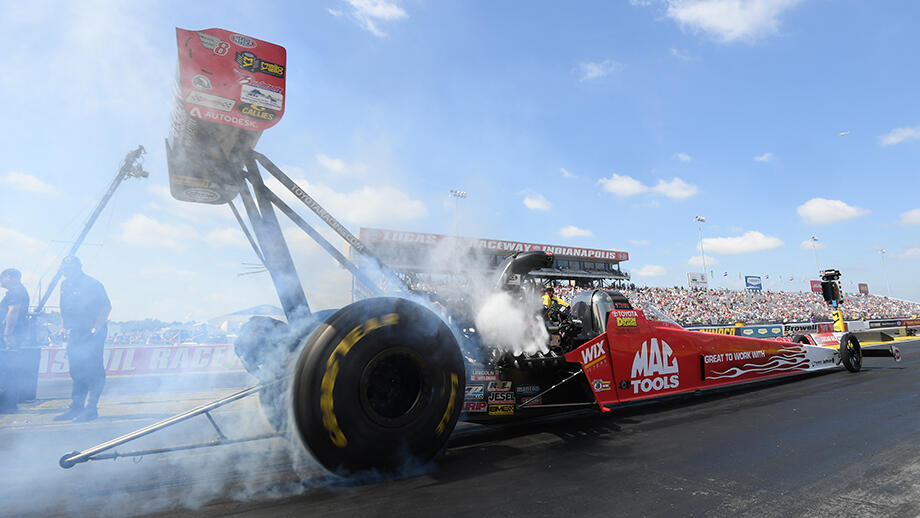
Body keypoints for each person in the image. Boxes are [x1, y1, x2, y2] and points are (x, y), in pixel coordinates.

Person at [54, 256, 111, 422]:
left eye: (70, 268)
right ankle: (76, 407)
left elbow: (106, 306)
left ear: (79, 267)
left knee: (93, 370)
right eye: (65, 268)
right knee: (76, 369)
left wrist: (96, 327)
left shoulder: (92, 284)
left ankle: (91, 409)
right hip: (75, 332)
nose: (66, 271)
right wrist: (63, 327)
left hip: (92, 332)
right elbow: (65, 309)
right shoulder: (64, 285)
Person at [0, 268, 30, 413]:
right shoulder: (18, 291)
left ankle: (7, 405)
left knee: (7, 370)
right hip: (14, 334)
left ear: (9, 277)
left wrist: (7, 335)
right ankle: (8, 404)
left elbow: (13, 311)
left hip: (11, 336)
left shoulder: (16, 292)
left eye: (2, 277)